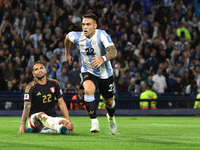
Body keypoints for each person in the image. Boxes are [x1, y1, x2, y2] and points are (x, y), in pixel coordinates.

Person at [64, 13, 117, 134]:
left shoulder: (102, 35)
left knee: (108, 101)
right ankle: (94, 122)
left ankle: (111, 118)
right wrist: (67, 54)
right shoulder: (77, 36)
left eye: (88, 24)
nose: (85, 27)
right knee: (87, 90)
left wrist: (102, 58)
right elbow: (67, 38)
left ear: (95, 26)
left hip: (105, 74)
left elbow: (113, 52)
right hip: (88, 71)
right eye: (83, 24)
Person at [18, 61, 74, 134]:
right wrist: (23, 124)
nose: (39, 70)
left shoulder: (55, 84)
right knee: (41, 114)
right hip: (36, 120)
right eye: (36, 69)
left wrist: (67, 120)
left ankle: (43, 131)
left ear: (45, 70)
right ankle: (57, 129)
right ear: (33, 73)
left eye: (41, 68)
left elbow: (61, 103)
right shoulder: (30, 87)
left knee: (70, 125)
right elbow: (26, 107)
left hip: (52, 117)